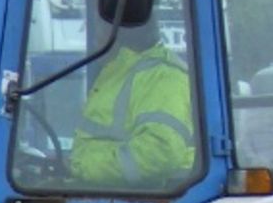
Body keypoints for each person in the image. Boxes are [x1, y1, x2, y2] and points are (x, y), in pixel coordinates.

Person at [67, 18, 195, 188]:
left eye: (98, 30)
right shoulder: (118, 72)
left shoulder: (162, 78)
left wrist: (82, 166)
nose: (93, 39)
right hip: (113, 191)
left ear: (116, 34)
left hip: (152, 198)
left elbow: (159, 153)